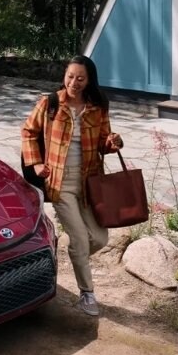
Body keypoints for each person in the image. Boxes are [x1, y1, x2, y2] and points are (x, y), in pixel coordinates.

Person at [20, 55, 124, 317]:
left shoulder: (98, 107)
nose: (73, 82)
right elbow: (28, 132)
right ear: (64, 76)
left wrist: (112, 143)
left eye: (80, 78)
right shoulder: (50, 103)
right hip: (60, 182)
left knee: (100, 238)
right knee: (79, 238)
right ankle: (87, 294)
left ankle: (69, 255)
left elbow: (103, 142)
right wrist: (35, 164)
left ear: (89, 80)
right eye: (70, 76)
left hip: (90, 183)